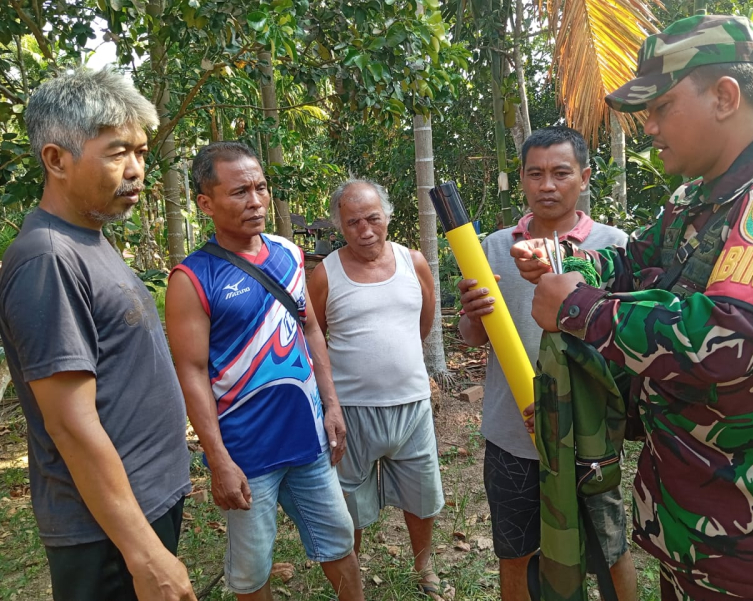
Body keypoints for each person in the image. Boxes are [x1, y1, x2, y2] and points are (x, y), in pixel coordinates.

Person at [512, 15, 753, 600]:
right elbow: (627, 263)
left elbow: (731, 340)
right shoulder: (692, 201)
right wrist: (564, 261)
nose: (649, 127)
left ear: (725, 97)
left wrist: (582, 310)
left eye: (662, 106)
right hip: (686, 516)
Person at [0, 68, 195, 601]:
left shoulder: (89, 238)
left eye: (142, 151)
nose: (136, 171)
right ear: (56, 159)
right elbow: (70, 423)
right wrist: (144, 553)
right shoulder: (47, 258)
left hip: (140, 503)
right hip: (106, 530)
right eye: (117, 153)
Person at [165, 142, 363, 601]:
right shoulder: (192, 278)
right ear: (206, 203)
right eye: (239, 192)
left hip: (307, 439)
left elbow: (312, 331)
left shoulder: (289, 255)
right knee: (253, 570)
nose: (255, 201)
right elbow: (191, 372)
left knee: (339, 542)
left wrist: (331, 406)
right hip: (246, 452)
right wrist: (217, 459)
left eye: (260, 188)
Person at [457, 127, 636, 601]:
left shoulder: (616, 247)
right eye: (535, 174)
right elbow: (476, 338)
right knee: (516, 553)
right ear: (522, 179)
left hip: (587, 435)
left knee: (609, 551)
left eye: (561, 173)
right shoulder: (493, 247)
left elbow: (623, 348)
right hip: (512, 432)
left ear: (584, 176)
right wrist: (471, 315)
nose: (547, 185)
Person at [307, 180, 450, 600]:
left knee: (422, 492)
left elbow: (423, 322)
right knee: (349, 500)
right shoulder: (325, 273)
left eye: (372, 218)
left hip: (411, 405)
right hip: (350, 411)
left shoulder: (414, 261)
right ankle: (351, 578)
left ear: (387, 215)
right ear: (340, 226)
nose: (365, 230)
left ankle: (424, 567)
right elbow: (314, 336)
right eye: (353, 222)